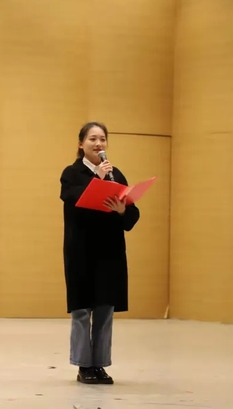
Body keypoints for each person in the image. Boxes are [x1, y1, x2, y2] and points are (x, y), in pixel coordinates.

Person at [59, 122, 140, 385]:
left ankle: (100, 365)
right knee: (82, 311)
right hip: (81, 251)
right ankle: (84, 366)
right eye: (92, 139)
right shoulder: (72, 173)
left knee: (105, 311)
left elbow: (132, 216)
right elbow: (75, 202)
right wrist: (99, 181)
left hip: (109, 252)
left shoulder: (116, 174)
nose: (98, 144)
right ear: (81, 144)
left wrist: (122, 210)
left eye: (102, 139)